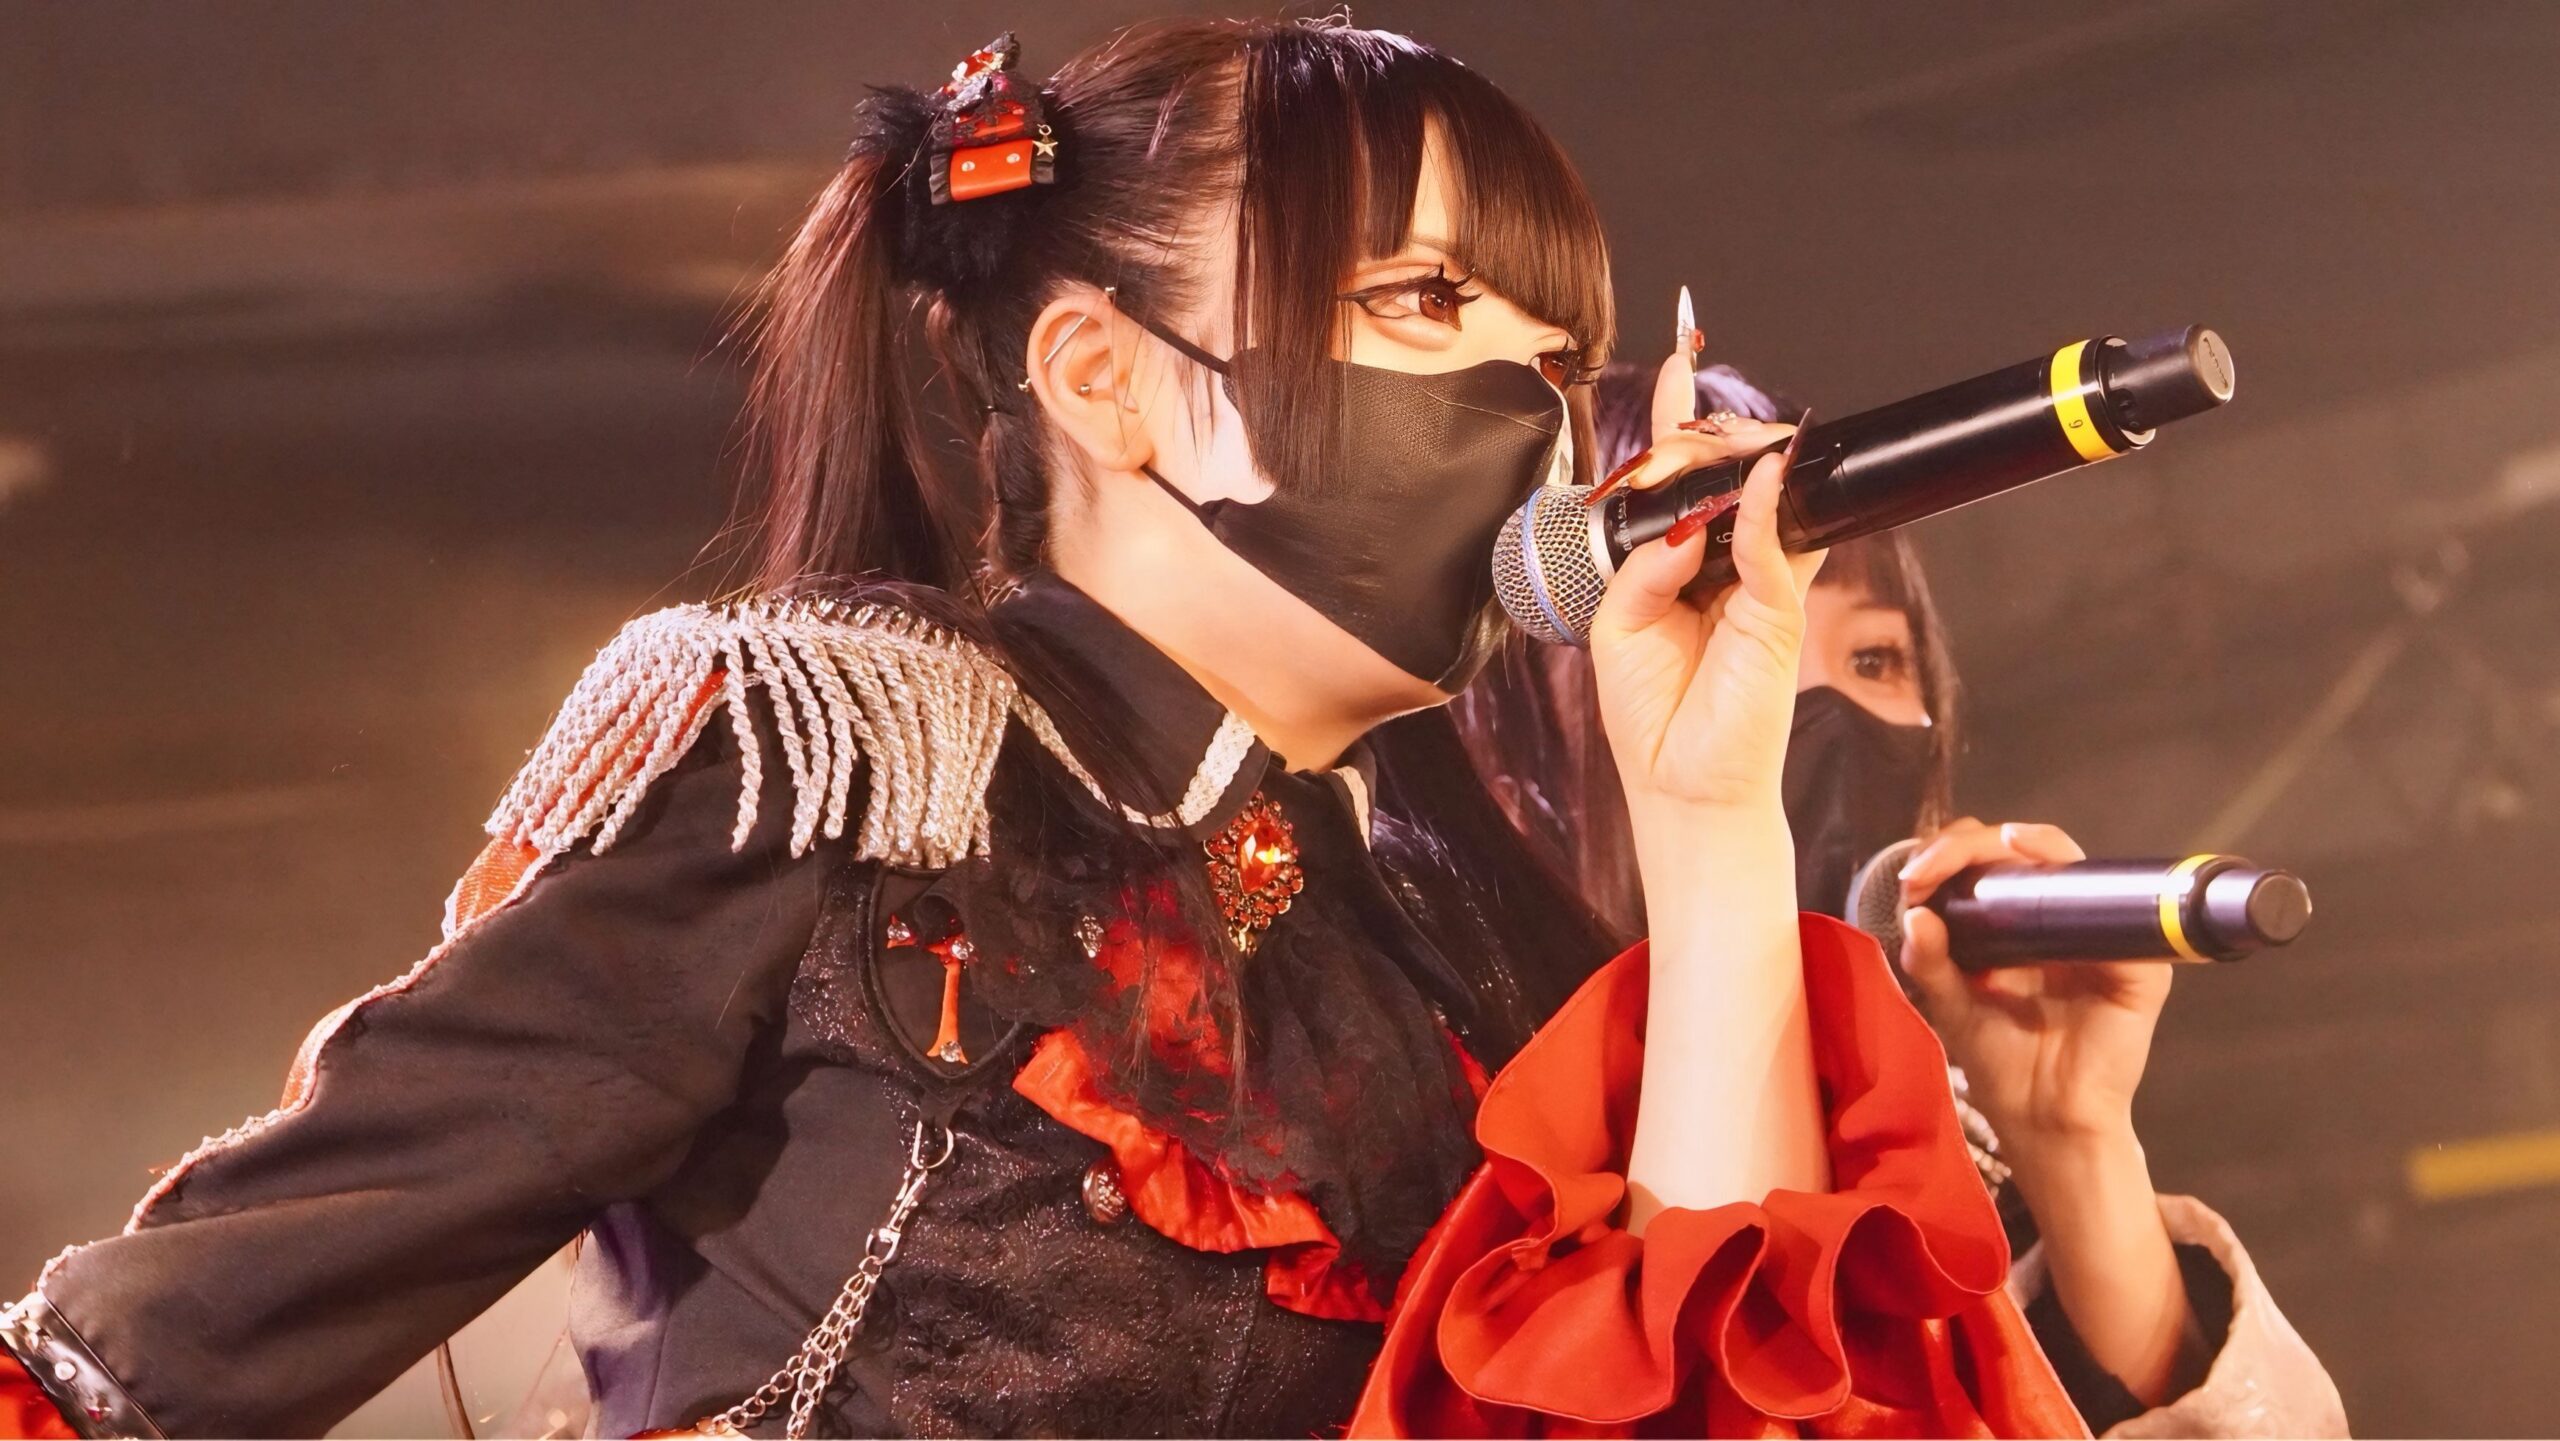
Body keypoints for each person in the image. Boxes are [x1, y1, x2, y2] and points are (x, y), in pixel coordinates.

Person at [0, 19, 2296, 1439]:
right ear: (1105, 379)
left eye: (1549, 344)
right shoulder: (843, 753)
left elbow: (1704, 1413)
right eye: (1420, 300)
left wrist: (1704, 840)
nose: (1520, 396)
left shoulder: (1450, 931)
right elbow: (195, 1331)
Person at [1449, 357, 2347, 1436]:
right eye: (1731, 625)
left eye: (1874, 657)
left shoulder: (1939, 1184)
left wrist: (2074, 1143)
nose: (1803, 697)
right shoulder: (1454, 1135)